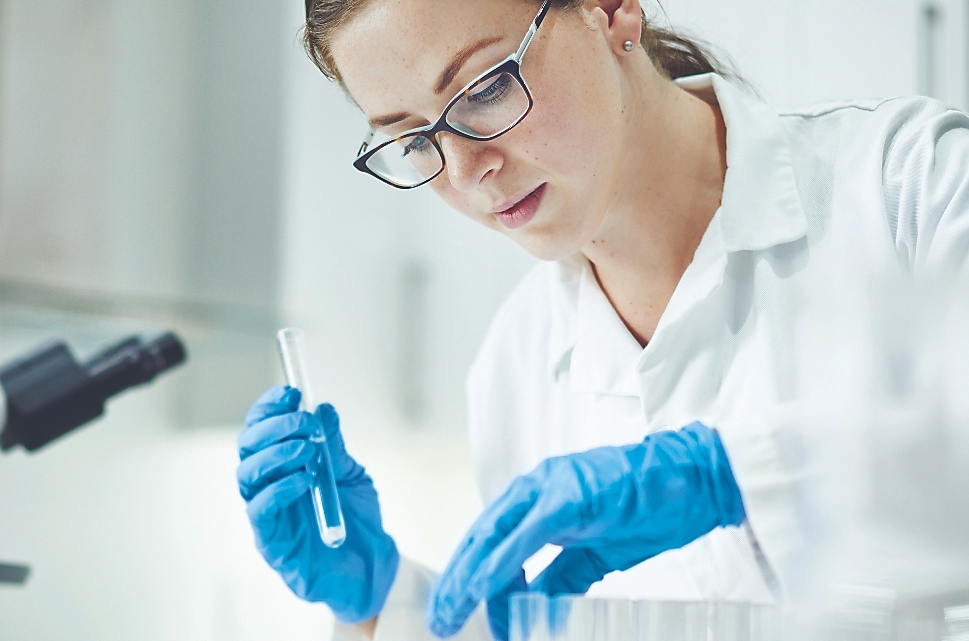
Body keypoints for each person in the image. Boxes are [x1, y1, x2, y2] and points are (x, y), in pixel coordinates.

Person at [234, 0, 969, 638]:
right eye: (417, 139)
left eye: (486, 87)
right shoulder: (515, 363)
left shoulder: (913, 188)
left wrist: (733, 474)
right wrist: (385, 602)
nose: (463, 171)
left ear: (610, 8)